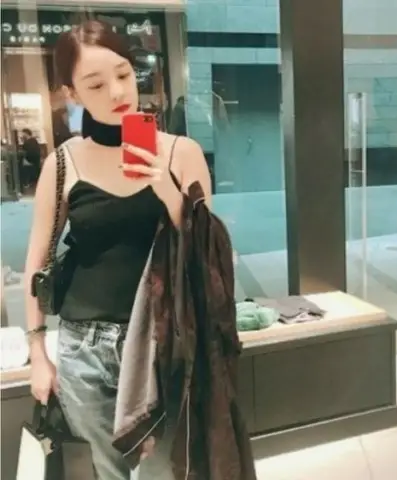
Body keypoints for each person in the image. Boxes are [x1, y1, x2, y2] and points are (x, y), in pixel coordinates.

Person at [24, 20, 211, 479]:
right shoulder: (63, 163)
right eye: (95, 84)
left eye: (124, 74)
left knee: (165, 471)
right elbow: (38, 260)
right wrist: (38, 354)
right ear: (72, 93)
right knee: (107, 473)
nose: (117, 91)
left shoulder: (181, 152)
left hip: (162, 341)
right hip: (84, 348)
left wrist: (165, 189)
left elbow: (207, 252)